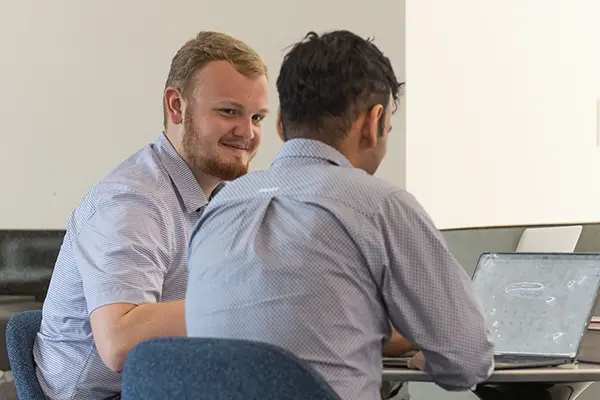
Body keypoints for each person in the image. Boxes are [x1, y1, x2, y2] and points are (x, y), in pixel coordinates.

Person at [185, 30, 495, 400]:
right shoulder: (380, 205)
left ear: (281, 123)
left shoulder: (221, 206)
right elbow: (469, 360)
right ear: (373, 122)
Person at [33, 31, 270, 400]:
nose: (248, 133)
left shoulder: (223, 198)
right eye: (229, 112)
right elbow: (120, 341)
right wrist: (254, 305)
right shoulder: (133, 200)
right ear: (177, 106)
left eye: (257, 117)